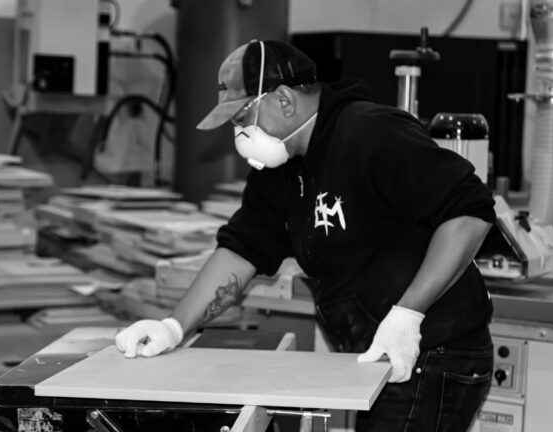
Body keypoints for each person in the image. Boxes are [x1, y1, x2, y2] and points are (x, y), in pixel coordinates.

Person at [115, 39, 496, 431]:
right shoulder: (279, 169)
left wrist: (408, 314)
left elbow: (470, 211)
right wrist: (173, 327)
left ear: (283, 100)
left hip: (433, 351)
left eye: (242, 118)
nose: (240, 134)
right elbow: (242, 249)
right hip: (377, 355)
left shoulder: (371, 133)